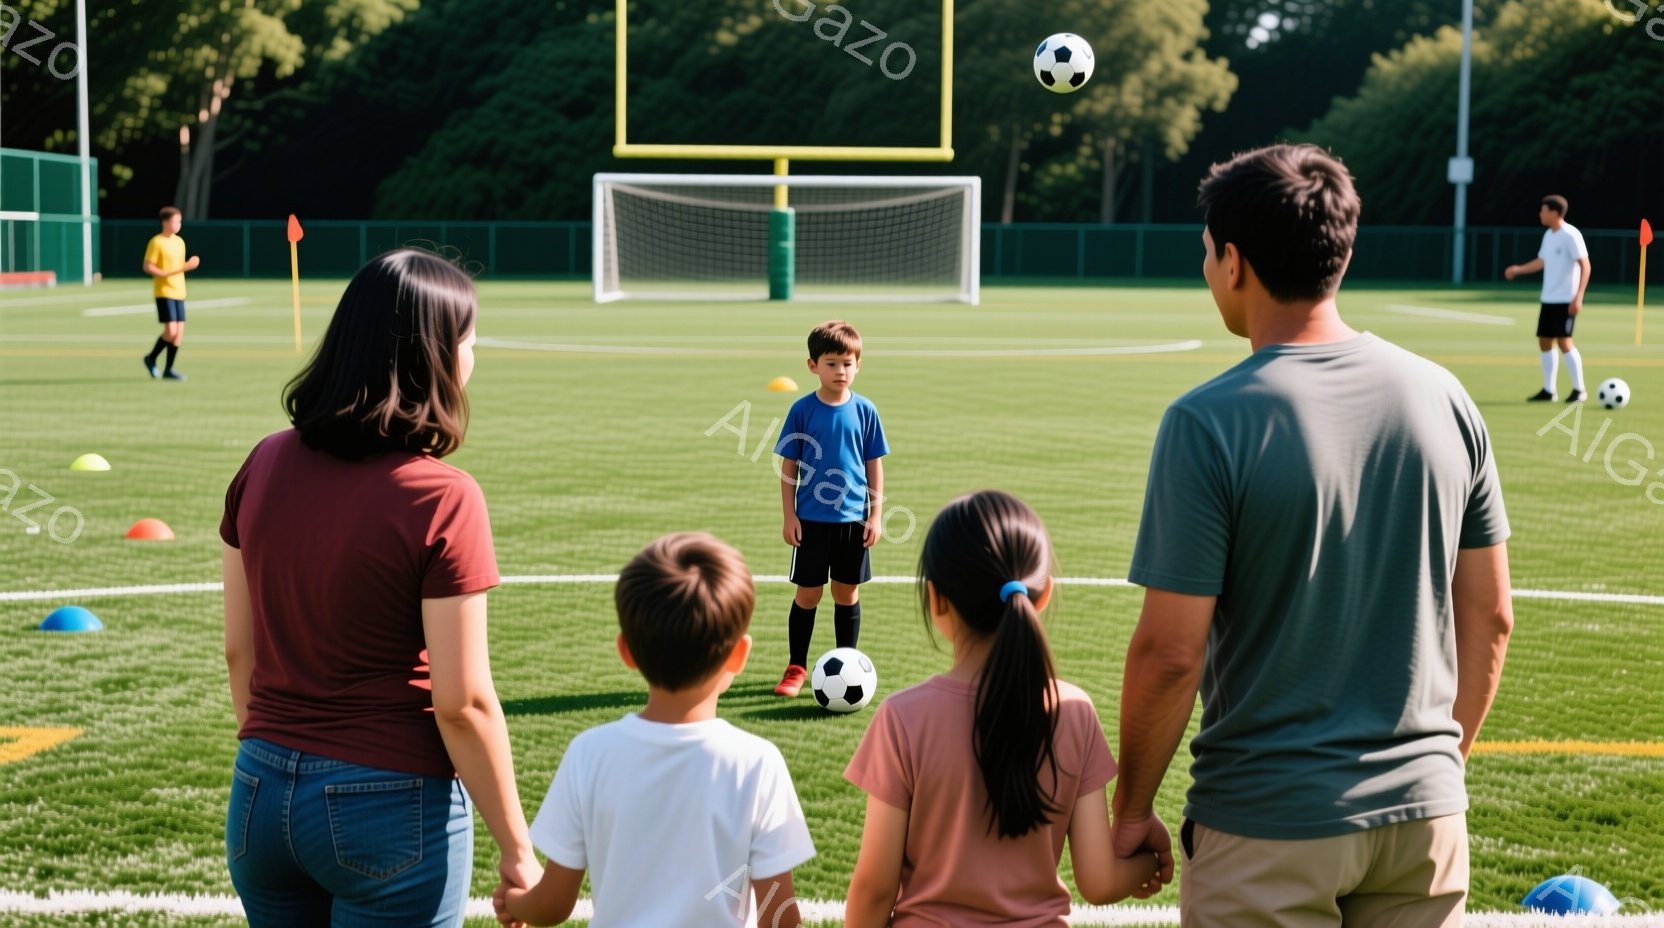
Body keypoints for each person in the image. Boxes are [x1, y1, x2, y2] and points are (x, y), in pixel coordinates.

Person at [1111, 144, 1515, 928]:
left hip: (1267, 824)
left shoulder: (1207, 421)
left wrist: (1130, 810)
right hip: (1425, 822)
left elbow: (1170, 653)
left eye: (1205, 254)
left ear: (1233, 263)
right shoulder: (1445, 397)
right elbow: (1492, 615)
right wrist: (1433, 767)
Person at [221, 249, 540, 926]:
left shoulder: (264, 461)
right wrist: (518, 848)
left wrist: (278, 757)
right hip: (387, 803)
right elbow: (462, 703)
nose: (473, 358)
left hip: (257, 793)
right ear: (436, 357)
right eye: (469, 343)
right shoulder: (441, 497)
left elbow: (237, 651)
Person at [843, 491, 1160, 928]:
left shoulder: (903, 718)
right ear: (1042, 595)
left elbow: (874, 889)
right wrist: (1151, 863)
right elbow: (1099, 880)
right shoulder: (1075, 711)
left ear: (936, 599)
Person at [493, 532, 814, 928]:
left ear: (626, 650)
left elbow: (553, 905)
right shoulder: (757, 764)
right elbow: (780, 916)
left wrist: (513, 901)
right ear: (739, 654)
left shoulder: (589, 754)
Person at [771, 320, 889, 697]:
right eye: (831, 363)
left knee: (846, 593)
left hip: (853, 521)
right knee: (808, 594)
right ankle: (796, 666)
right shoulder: (802, 410)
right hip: (810, 522)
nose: (840, 371)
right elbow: (789, 466)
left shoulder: (866, 410)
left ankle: (848, 662)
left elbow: (874, 465)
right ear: (813, 366)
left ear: (858, 365)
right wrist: (789, 515)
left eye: (847, 363)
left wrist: (875, 515)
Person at [1505, 195, 1592, 403]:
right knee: (1545, 342)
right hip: (1549, 298)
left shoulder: (1571, 235)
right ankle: (1549, 390)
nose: (1540, 214)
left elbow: (1585, 265)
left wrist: (1578, 297)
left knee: (1564, 342)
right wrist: (1518, 270)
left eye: (1543, 210)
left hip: (1565, 299)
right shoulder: (1549, 236)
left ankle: (1579, 390)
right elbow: (1541, 261)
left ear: (1555, 212)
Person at [142, 206, 200, 381]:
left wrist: (188, 265)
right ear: (165, 222)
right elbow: (148, 266)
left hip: (179, 291)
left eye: (180, 221)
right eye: (176, 221)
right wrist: (167, 273)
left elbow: (179, 266)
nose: (178, 224)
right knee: (171, 330)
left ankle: (169, 368)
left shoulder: (179, 242)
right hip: (164, 291)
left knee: (179, 332)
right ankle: (151, 357)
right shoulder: (156, 242)